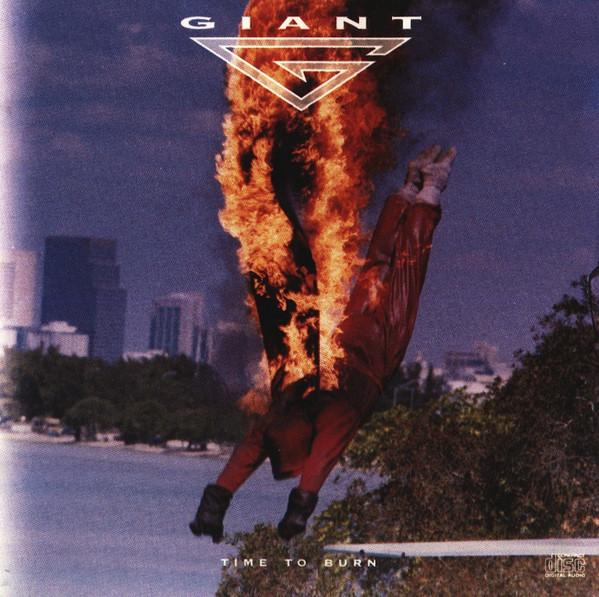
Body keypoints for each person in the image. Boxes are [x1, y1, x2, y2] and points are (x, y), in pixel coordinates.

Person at [189, 145, 457, 542]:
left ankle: (428, 188)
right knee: (379, 268)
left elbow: (320, 462)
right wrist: (213, 508)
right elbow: (247, 455)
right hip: (344, 341)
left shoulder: (317, 421)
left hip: (372, 355)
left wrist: (296, 517)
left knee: (405, 271)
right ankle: (409, 190)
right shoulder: (279, 413)